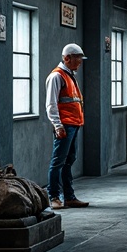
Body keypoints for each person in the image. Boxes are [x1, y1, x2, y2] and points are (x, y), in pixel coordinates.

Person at [45, 43, 90, 209]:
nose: (80, 61)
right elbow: (51, 104)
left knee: (68, 161)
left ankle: (69, 197)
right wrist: (58, 125)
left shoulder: (69, 75)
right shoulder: (57, 76)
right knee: (58, 162)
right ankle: (54, 197)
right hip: (65, 125)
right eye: (77, 58)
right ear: (67, 58)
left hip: (73, 124)